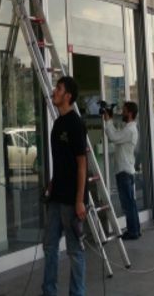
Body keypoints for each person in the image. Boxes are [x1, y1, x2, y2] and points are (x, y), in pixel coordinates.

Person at [43, 76, 87, 296]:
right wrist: (52, 182)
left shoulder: (76, 124)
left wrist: (79, 201)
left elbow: (81, 165)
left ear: (68, 96)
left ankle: (76, 293)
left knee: (74, 251)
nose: (55, 91)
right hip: (56, 197)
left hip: (71, 201)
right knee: (49, 246)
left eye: (59, 89)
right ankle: (48, 291)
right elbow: (61, 160)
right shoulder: (57, 123)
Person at [104, 101, 141, 240]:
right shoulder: (129, 129)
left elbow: (114, 137)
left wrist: (108, 121)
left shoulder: (129, 130)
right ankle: (136, 230)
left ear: (130, 113)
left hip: (124, 172)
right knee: (131, 203)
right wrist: (110, 120)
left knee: (128, 204)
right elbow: (117, 135)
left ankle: (132, 232)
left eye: (124, 111)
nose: (122, 114)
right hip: (127, 170)